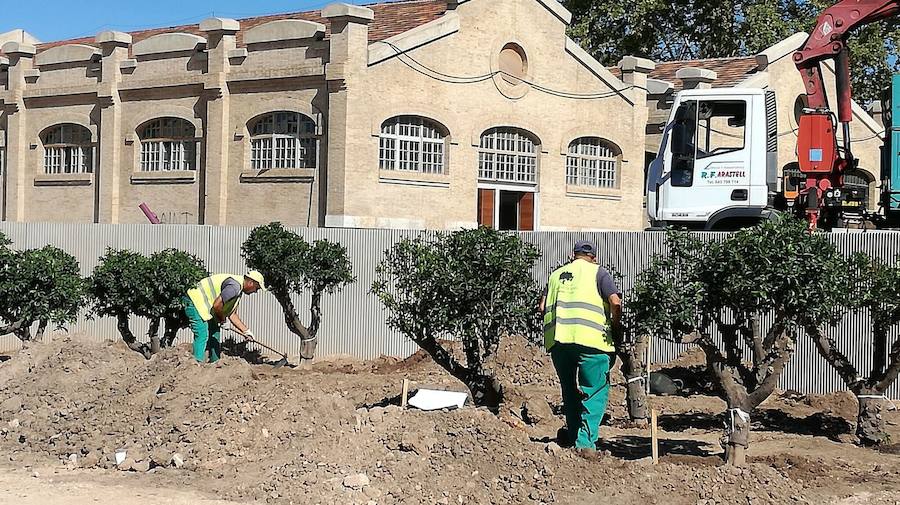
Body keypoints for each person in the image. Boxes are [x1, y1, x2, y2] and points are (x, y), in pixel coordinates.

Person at [540, 240, 622, 451]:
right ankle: (585, 443)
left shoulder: (556, 275)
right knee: (594, 391)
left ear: (572, 255)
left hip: (559, 342)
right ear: (593, 257)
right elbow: (615, 302)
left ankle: (573, 433)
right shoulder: (599, 273)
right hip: (592, 342)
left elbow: (542, 307)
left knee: (569, 389)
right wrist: (615, 324)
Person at [183, 271, 266, 363]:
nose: (255, 291)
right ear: (251, 283)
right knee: (202, 333)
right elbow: (217, 305)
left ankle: (216, 363)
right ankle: (195, 365)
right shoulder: (234, 287)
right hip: (195, 301)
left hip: (206, 306)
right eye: (256, 288)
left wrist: (246, 331)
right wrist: (223, 320)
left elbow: (232, 314)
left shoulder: (238, 290)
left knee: (215, 331)